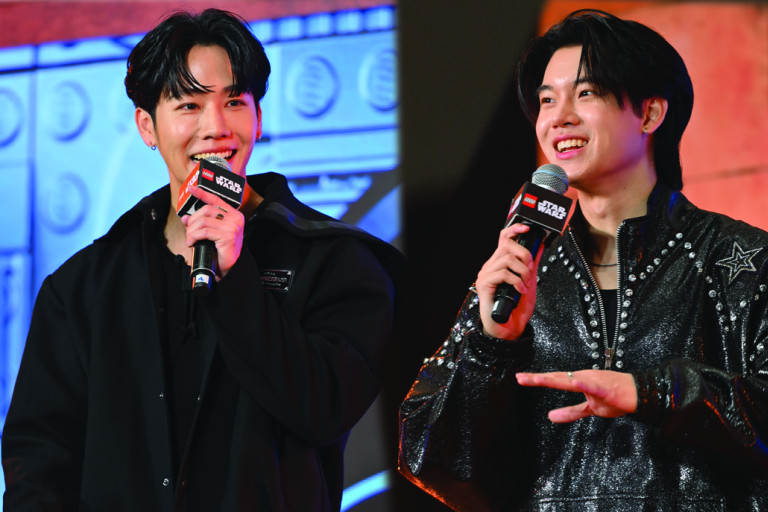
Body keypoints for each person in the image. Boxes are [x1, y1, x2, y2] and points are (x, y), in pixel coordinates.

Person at [2, 8, 402, 511]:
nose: (215, 127)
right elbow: (39, 459)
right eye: (189, 105)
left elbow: (324, 409)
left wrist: (235, 279)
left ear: (258, 117)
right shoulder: (84, 286)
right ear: (147, 126)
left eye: (234, 101)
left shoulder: (336, 261)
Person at [399, 9, 768, 511]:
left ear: (650, 114)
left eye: (586, 93)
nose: (558, 117)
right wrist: (492, 346)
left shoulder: (738, 259)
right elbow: (429, 459)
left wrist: (654, 393)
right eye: (547, 99)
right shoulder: (517, 270)